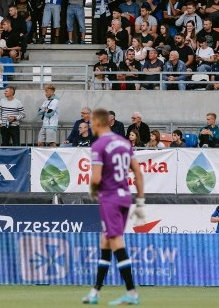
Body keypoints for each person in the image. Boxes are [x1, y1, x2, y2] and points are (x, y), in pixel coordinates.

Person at [83, 109, 144, 306]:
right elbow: (138, 173)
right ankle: (95, 292)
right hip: (125, 197)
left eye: (91, 122)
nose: (90, 126)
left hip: (109, 198)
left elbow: (96, 177)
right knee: (106, 241)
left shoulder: (99, 145)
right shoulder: (125, 143)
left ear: (99, 123)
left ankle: (132, 292)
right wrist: (140, 201)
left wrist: (93, 189)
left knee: (116, 240)